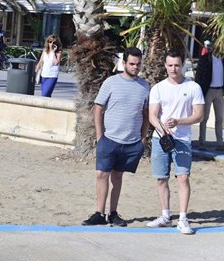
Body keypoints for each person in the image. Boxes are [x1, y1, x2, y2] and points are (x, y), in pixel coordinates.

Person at [82, 47, 150, 227]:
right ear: (124, 63)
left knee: (118, 176)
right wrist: (99, 135)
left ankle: (113, 213)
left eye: (138, 64)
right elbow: (98, 108)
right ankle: (99, 213)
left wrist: (143, 138)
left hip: (131, 142)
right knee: (101, 174)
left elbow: (146, 113)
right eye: (132, 64)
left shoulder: (144, 86)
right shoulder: (111, 82)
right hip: (109, 139)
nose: (136, 67)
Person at [147, 48, 204, 235]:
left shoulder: (193, 87)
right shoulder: (158, 88)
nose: (173, 69)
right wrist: (162, 129)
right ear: (165, 65)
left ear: (183, 66)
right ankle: (165, 216)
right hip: (161, 139)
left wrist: (179, 121)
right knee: (161, 178)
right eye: (170, 65)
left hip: (183, 139)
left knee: (183, 177)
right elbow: (152, 115)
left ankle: (183, 218)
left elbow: (198, 115)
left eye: (177, 65)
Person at [194, 40, 224, 151]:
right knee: (204, 118)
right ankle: (202, 142)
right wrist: (198, 92)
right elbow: (199, 76)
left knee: (219, 118)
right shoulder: (205, 59)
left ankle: (220, 143)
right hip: (208, 91)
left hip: (220, 91)